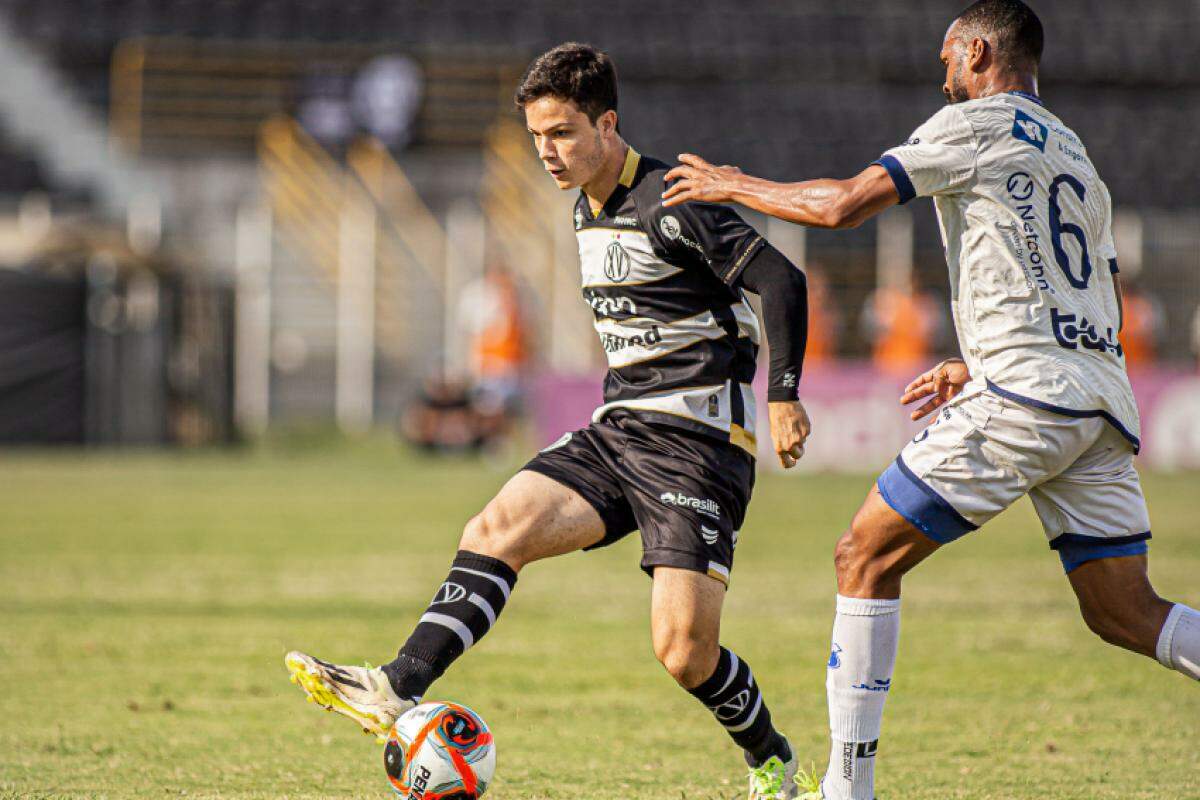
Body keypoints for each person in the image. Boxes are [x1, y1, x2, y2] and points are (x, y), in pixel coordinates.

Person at [662, 2, 1200, 798]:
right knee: (1124, 611)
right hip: (1097, 400)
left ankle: (847, 790)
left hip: (1029, 397)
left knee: (863, 556)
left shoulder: (976, 124)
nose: (941, 73)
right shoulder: (1077, 155)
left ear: (979, 52)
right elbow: (1092, 288)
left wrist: (731, 183)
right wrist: (976, 365)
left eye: (948, 57)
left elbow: (843, 205)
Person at [285, 43, 813, 799]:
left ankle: (772, 760)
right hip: (620, 429)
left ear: (608, 124)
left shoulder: (671, 198)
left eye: (562, 133)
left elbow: (780, 277)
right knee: (495, 528)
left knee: (684, 654)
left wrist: (785, 395)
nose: (547, 153)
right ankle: (395, 686)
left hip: (697, 447)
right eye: (537, 138)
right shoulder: (581, 207)